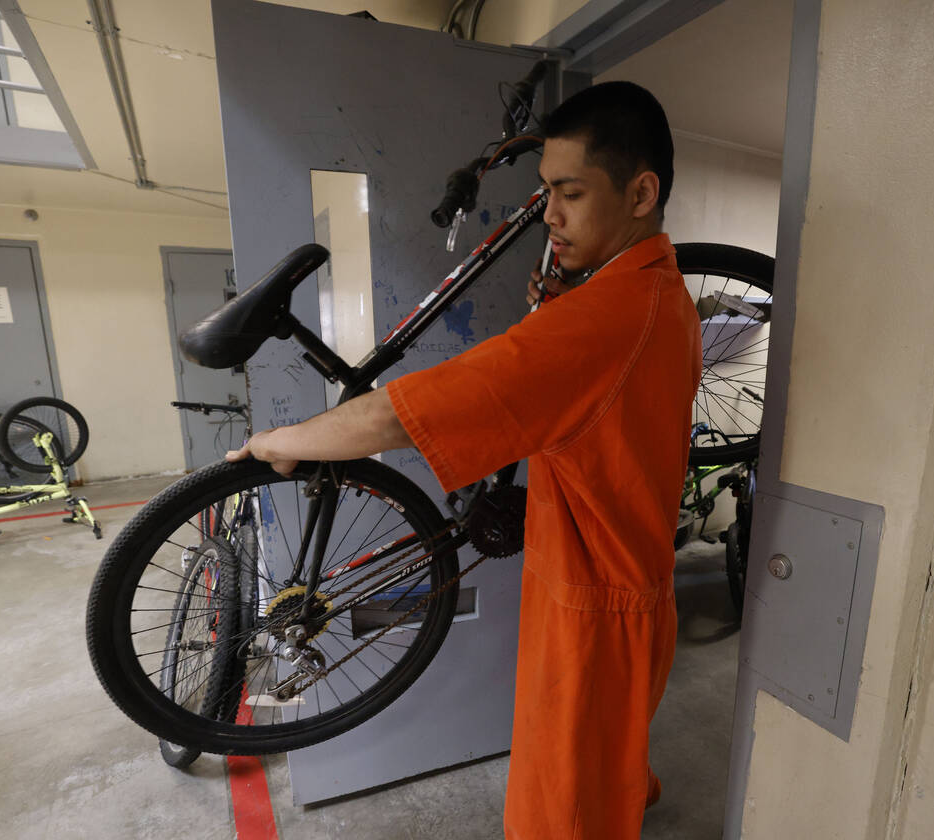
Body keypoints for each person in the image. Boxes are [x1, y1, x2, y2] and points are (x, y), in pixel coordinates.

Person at [228, 81, 701, 839]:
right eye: (547, 192)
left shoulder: (604, 318)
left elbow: (402, 412)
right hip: (628, 588)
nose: (550, 214)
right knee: (609, 778)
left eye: (569, 192)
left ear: (641, 191)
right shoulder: (660, 293)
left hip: (595, 619)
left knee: (563, 813)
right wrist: (562, 310)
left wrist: (280, 440)